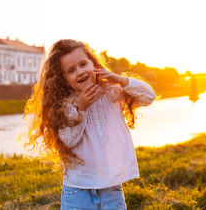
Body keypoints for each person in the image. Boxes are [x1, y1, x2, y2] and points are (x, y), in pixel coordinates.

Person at [25, 39, 155, 210]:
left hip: (110, 187)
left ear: (93, 64)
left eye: (83, 64)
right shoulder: (64, 106)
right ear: (64, 80)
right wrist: (81, 109)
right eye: (71, 70)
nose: (79, 72)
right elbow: (69, 141)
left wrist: (120, 80)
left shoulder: (111, 93)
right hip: (78, 190)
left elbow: (148, 97)